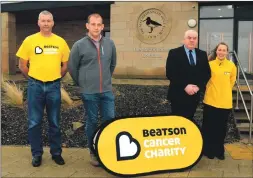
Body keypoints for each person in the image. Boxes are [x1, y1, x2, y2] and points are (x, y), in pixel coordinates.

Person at [16, 10, 69, 167]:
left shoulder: (61, 42)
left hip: (53, 86)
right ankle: (36, 154)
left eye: (48, 21)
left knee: (55, 122)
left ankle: (56, 153)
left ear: (53, 23)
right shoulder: (29, 41)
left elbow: (65, 65)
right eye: (43, 20)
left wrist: (55, 78)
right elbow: (22, 65)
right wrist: (33, 79)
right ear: (38, 22)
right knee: (34, 122)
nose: (46, 23)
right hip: (35, 86)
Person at [68, 13, 117, 167]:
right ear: (87, 26)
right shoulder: (79, 45)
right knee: (92, 121)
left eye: (99, 24)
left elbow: (112, 65)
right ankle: (93, 151)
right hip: (89, 92)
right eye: (93, 24)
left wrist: (106, 79)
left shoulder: (110, 44)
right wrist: (82, 83)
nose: (96, 27)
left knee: (109, 119)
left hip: (107, 91)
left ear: (102, 27)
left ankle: (107, 150)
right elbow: (72, 68)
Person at [166, 30, 211, 121]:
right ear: (184, 39)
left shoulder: (202, 54)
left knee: (189, 122)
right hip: (178, 95)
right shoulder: (174, 53)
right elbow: (170, 73)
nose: (192, 40)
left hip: (194, 95)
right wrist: (185, 86)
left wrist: (198, 87)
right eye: (189, 38)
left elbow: (206, 73)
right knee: (177, 122)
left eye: (194, 38)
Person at [202, 42, 237, 160]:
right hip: (210, 101)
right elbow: (205, 80)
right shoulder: (209, 64)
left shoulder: (231, 66)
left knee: (221, 129)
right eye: (219, 50)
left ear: (227, 52)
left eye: (224, 50)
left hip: (225, 103)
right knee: (209, 127)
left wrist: (224, 90)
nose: (221, 52)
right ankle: (209, 151)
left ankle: (219, 151)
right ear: (216, 51)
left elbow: (232, 82)